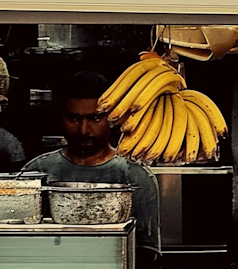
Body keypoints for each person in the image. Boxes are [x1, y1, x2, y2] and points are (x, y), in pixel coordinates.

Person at [22, 70, 161, 252]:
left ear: (112, 117)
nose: (84, 130)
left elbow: (146, 251)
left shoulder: (135, 176)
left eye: (95, 118)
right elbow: (22, 243)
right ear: (60, 117)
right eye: (74, 118)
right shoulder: (37, 171)